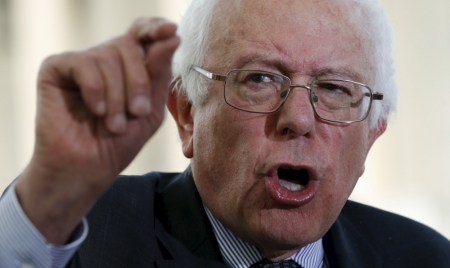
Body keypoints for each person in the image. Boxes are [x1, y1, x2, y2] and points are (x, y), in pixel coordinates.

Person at [1, 0, 449, 267]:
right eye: (259, 79)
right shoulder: (85, 235)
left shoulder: (425, 259)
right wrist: (50, 199)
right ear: (187, 115)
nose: (298, 117)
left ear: (371, 137)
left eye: (333, 88)